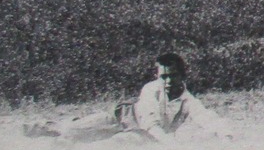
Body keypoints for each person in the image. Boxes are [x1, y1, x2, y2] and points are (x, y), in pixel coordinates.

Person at [29, 51, 222, 144]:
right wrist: (170, 143)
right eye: (164, 76)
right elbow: (150, 121)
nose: (168, 80)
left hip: (141, 135)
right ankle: (44, 127)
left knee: (110, 146)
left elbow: (206, 117)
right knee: (72, 130)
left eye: (173, 75)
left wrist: (226, 135)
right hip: (120, 118)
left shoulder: (188, 101)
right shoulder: (150, 90)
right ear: (157, 77)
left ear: (183, 76)